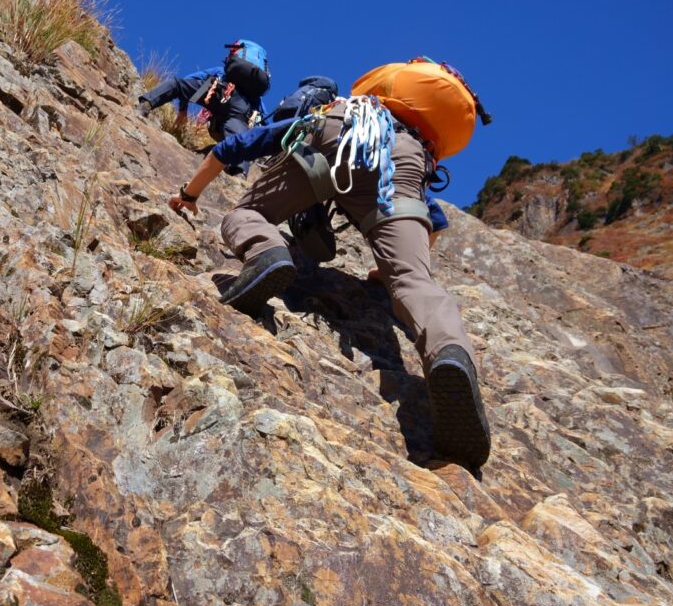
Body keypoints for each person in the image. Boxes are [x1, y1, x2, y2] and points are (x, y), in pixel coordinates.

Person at [167, 58, 493, 473]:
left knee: (245, 216)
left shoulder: (328, 108)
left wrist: (189, 195)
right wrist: (385, 272)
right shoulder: (411, 133)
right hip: (403, 158)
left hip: (335, 132)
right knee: (414, 282)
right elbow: (436, 222)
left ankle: (267, 251)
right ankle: (449, 354)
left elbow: (234, 147)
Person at [138, 40, 270, 175]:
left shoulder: (220, 72)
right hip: (240, 110)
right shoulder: (254, 96)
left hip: (216, 90)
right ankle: (238, 172)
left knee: (178, 85)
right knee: (238, 137)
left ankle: (145, 105)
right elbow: (265, 121)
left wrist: (183, 110)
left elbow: (185, 82)